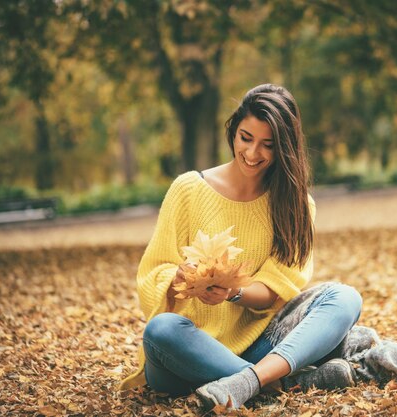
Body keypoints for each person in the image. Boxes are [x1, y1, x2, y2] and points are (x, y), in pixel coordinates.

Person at [119, 84, 363, 410]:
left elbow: (277, 289)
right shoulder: (189, 189)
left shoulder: (297, 205)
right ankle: (287, 382)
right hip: (184, 352)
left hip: (257, 345)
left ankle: (250, 381)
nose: (251, 153)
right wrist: (182, 277)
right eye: (245, 138)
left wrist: (233, 292)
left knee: (345, 298)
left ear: (284, 149)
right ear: (233, 131)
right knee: (160, 329)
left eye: (267, 145)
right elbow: (152, 274)